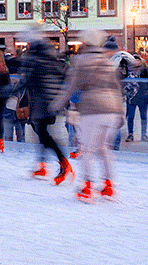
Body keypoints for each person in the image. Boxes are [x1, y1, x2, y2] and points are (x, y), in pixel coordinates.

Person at [54, 30, 124, 202]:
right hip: (111, 110)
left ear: (85, 43)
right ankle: (109, 185)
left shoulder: (81, 60)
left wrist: (56, 105)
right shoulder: (106, 61)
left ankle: (87, 187)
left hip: (92, 110)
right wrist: (120, 112)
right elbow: (116, 87)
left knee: (86, 149)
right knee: (104, 148)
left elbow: (71, 87)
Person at [20, 29, 71, 184]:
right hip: (52, 100)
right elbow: (62, 75)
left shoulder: (35, 58)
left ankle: (63, 163)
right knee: (41, 132)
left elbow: (27, 80)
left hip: (41, 101)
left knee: (43, 134)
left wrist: (13, 91)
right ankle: (42, 165)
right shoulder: (50, 56)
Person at [123, 52, 148, 142]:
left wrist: (145, 86)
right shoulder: (127, 70)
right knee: (130, 116)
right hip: (131, 97)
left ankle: (144, 134)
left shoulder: (144, 70)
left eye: (137, 60)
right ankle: (130, 134)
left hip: (143, 96)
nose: (136, 62)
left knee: (143, 116)